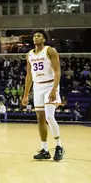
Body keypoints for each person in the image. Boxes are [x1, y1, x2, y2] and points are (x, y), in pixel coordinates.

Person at [22, 30, 64, 161]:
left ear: (44, 39)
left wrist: (54, 89)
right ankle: (44, 149)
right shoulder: (29, 54)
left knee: (50, 116)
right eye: (34, 36)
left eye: (39, 36)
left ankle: (59, 146)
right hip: (38, 86)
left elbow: (57, 71)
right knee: (40, 118)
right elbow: (28, 76)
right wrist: (25, 95)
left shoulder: (50, 51)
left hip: (50, 85)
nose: (36, 38)